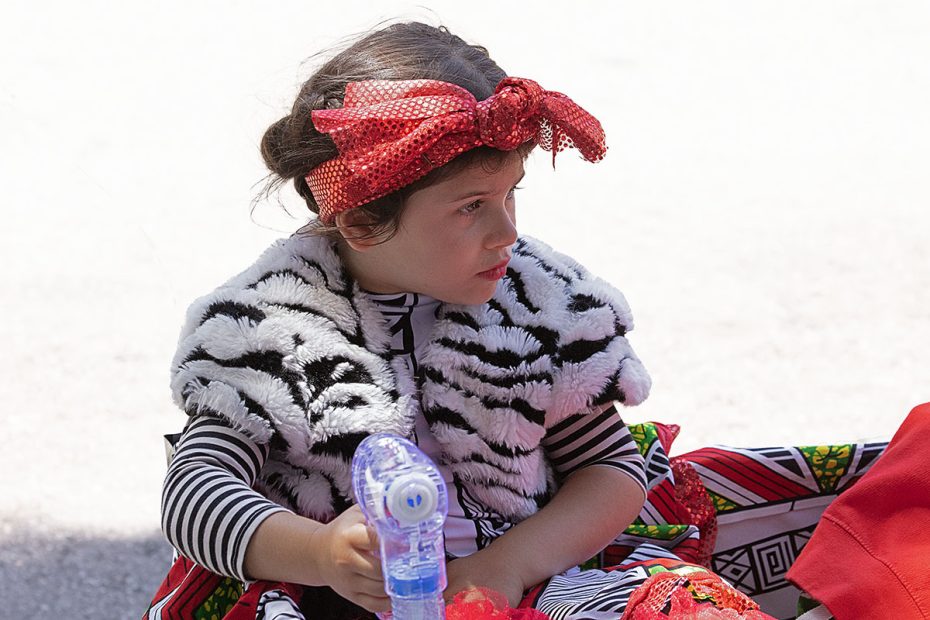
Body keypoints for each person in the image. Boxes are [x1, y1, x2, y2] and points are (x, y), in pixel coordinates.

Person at [151, 21, 657, 619]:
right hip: (341, 601)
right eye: (472, 206)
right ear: (363, 223)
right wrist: (318, 554)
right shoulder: (272, 328)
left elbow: (609, 466)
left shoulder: (536, 305)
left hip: (525, 583)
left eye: (509, 194)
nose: (507, 233)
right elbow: (193, 495)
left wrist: (510, 565)